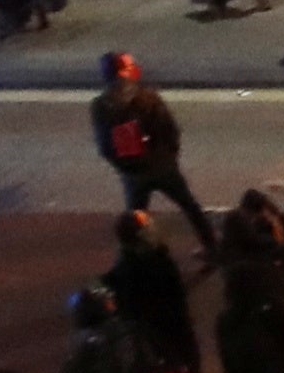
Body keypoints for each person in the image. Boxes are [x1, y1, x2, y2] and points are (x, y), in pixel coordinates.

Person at [87, 55, 214, 255]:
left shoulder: (101, 106)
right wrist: (169, 157)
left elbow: (105, 145)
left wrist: (124, 167)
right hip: (162, 165)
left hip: (133, 173)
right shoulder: (147, 97)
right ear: (122, 71)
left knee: (135, 221)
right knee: (190, 206)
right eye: (129, 64)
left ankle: (137, 259)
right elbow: (169, 129)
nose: (135, 67)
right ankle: (212, 246)